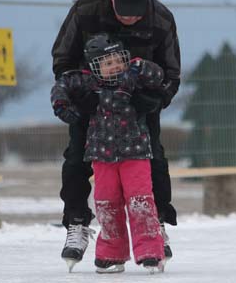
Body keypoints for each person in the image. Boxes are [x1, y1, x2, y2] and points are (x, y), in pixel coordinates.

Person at [51, 0, 180, 266]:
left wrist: (156, 99)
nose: (129, 17)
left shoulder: (161, 19)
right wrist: (78, 97)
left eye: (135, 12)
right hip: (92, 103)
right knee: (75, 160)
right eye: (123, 11)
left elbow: (171, 73)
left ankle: (156, 225)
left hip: (139, 106)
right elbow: (62, 59)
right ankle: (77, 223)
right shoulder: (85, 10)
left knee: (154, 161)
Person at [51, 34, 166, 273]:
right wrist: (62, 105)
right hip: (101, 157)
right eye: (107, 63)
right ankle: (111, 253)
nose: (115, 66)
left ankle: (150, 250)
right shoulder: (88, 84)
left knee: (140, 200)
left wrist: (138, 68)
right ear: (95, 67)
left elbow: (157, 75)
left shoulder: (131, 77)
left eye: (118, 60)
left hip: (135, 153)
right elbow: (62, 84)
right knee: (106, 204)